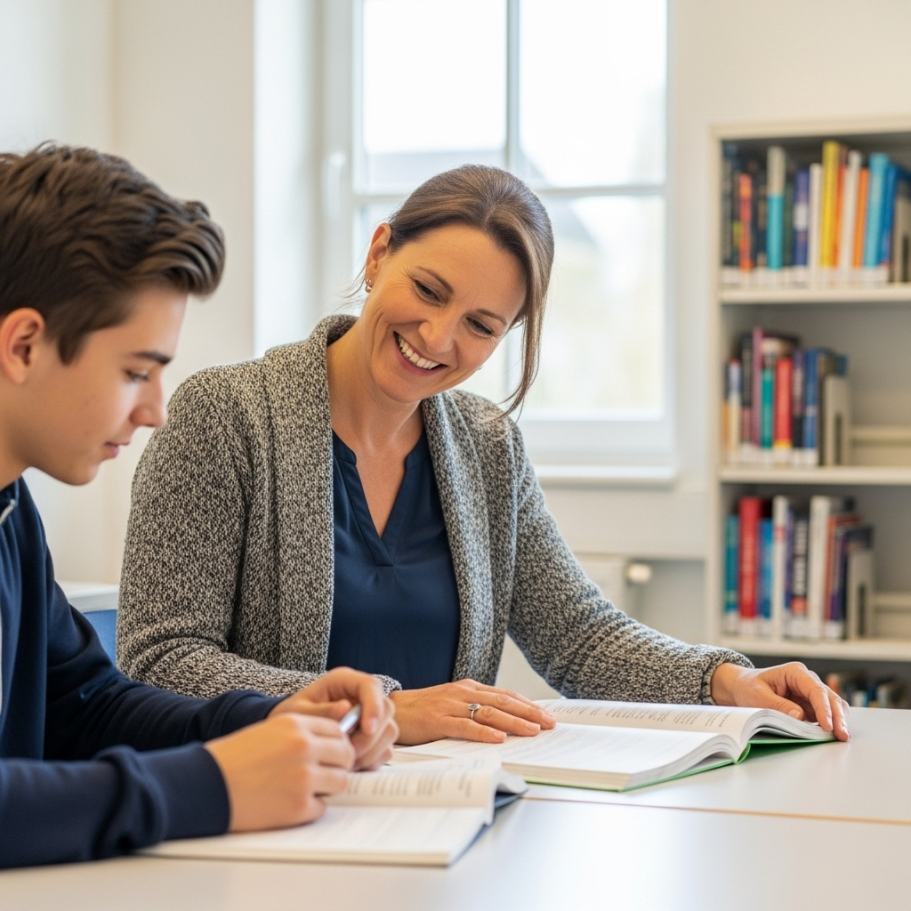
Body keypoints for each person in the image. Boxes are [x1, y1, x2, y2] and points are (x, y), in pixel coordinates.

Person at [118, 164, 849, 746]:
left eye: (480, 325)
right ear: (379, 253)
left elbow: (577, 635)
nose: (437, 338)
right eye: (428, 290)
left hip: (444, 815)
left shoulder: (488, 446)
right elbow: (161, 661)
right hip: (268, 813)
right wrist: (387, 710)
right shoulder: (224, 417)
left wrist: (722, 678)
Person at [0, 144, 397, 870]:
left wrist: (269, 718)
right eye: (134, 371)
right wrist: (211, 784)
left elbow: (85, 703)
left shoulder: (10, 511)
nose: (154, 410)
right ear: (24, 343)